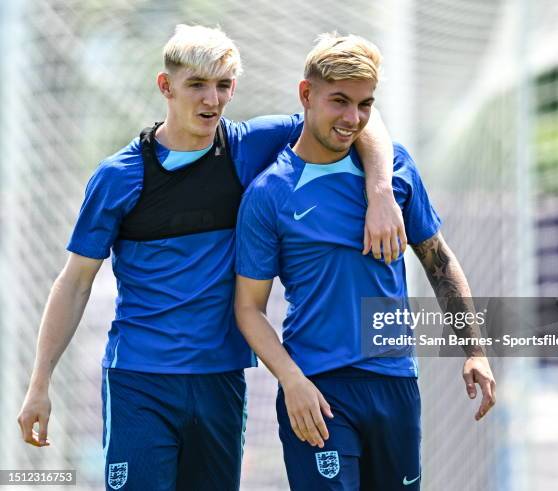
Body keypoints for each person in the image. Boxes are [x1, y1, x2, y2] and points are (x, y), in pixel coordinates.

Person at [16, 25, 406, 491]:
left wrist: (381, 191)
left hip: (220, 381)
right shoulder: (119, 177)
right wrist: (40, 382)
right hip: (141, 380)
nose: (212, 99)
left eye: (223, 85)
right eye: (197, 85)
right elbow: (75, 282)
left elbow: (357, 118)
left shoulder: (246, 147)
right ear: (166, 87)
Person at [234, 33, 496, 490]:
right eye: (339, 101)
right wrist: (291, 381)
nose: (352, 118)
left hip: (395, 381)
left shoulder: (395, 172)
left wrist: (474, 350)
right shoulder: (269, 194)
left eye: (365, 104)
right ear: (306, 95)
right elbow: (248, 308)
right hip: (319, 388)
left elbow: (439, 262)